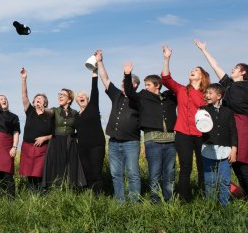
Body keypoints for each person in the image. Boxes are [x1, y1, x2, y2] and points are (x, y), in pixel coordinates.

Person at [196, 40, 248, 207]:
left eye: (236, 67)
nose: (232, 69)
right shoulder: (228, 85)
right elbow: (215, 66)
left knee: (244, 167)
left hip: (242, 125)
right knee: (233, 166)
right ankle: (244, 198)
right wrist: (204, 50)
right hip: (229, 125)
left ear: (243, 73)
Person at [161, 45, 208, 202]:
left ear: (202, 77)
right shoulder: (181, 89)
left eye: (196, 70)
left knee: (203, 167)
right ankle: (184, 199)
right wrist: (167, 58)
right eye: (191, 69)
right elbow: (166, 79)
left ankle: (204, 197)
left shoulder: (206, 94)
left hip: (202, 134)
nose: (192, 70)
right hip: (183, 134)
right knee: (185, 168)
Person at [98, 53, 142, 202]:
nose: (122, 85)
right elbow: (105, 79)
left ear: (134, 85)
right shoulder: (116, 95)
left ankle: (135, 202)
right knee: (116, 174)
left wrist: (127, 74)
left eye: (126, 83)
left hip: (131, 142)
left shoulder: (139, 99)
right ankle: (120, 202)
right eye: (122, 83)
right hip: (114, 142)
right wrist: (100, 62)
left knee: (132, 174)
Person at [138, 73, 177, 202]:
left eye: (148, 85)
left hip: (170, 142)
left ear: (157, 85)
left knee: (169, 173)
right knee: (154, 173)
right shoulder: (143, 96)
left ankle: (169, 199)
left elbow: (177, 89)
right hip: (152, 142)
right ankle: (155, 199)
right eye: (145, 85)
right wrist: (127, 75)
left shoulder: (169, 98)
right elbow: (130, 93)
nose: (146, 87)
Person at [200, 84, 238, 206]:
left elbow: (233, 131)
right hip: (208, 150)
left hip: (225, 151)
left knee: (225, 180)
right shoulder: (203, 110)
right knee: (210, 181)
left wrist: (234, 149)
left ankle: (224, 206)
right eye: (207, 93)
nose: (207, 95)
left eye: (210, 93)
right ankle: (210, 205)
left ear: (219, 96)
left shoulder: (228, 112)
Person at [42, 87, 86, 190]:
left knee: (71, 166)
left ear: (69, 100)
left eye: (63, 95)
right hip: (56, 142)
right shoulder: (55, 110)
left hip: (71, 142)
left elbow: (81, 125)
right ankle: (55, 189)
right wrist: (43, 109)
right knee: (56, 166)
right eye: (59, 94)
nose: (60, 96)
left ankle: (71, 189)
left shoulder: (75, 112)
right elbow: (49, 112)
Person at [74, 56, 106, 195]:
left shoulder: (93, 107)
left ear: (87, 99)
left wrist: (94, 72)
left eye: (83, 96)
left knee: (96, 172)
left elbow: (95, 89)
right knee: (87, 172)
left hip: (96, 145)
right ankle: (90, 196)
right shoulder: (76, 115)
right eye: (78, 96)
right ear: (76, 101)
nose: (81, 97)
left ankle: (99, 197)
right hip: (82, 147)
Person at [19, 68, 53, 191]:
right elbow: (24, 95)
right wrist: (24, 79)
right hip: (28, 146)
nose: (38, 99)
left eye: (41, 98)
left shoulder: (50, 115)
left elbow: (55, 134)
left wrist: (45, 138)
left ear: (45, 103)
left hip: (42, 149)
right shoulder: (30, 111)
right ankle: (31, 195)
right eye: (36, 98)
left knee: (40, 173)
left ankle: (42, 194)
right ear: (33, 102)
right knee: (29, 174)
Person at [0, 70, 21, 196]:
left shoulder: (14, 116)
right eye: (1, 99)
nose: (3, 100)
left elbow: (16, 132)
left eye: (5, 99)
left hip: (7, 146)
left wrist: (14, 147)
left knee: (8, 174)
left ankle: (10, 199)